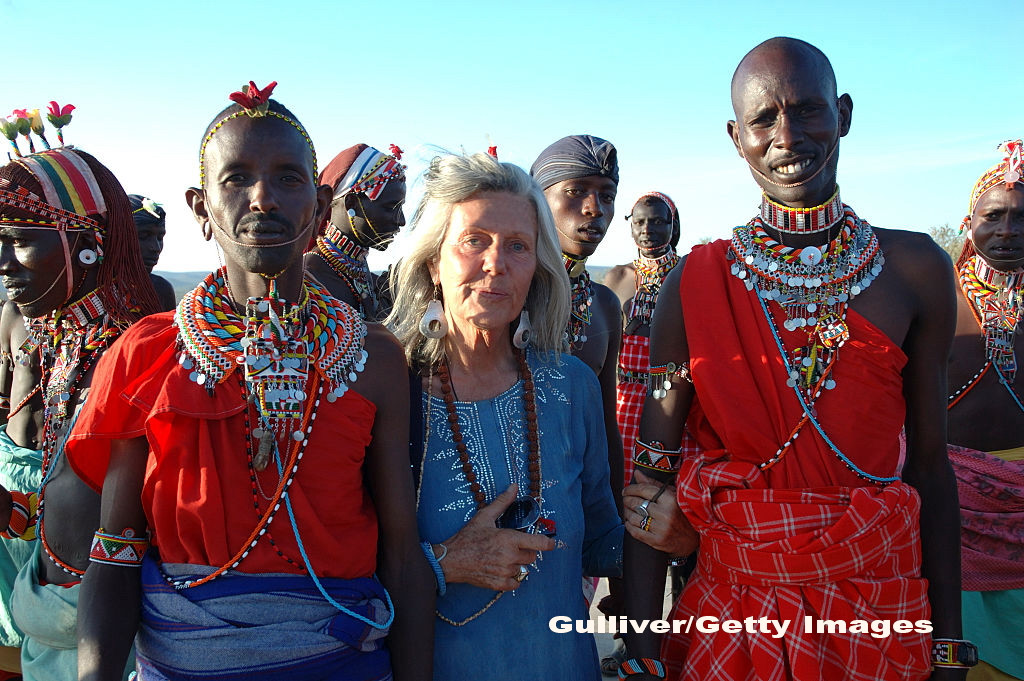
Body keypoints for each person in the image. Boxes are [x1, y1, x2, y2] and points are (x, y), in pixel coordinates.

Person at [623, 37, 968, 681]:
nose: (787, 136)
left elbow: (929, 465)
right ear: (736, 136)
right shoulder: (696, 282)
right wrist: (641, 653)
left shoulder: (916, 268)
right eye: (763, 119)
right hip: (737, 611)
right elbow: (651, 485)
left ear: (844, 115)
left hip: (877, 608)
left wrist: (948, 646)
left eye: (808, 110)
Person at [65, 82, 433, 681]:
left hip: (338, 656)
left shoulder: (372, 356)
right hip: (185, 659)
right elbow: (115, 553)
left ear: (317, 202)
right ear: (200, 206)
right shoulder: (144, 353)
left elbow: (401, 554)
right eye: (235, 178)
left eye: (288, 178)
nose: (262, 197)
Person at [387, 152, 688, 681]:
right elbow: (335, 566)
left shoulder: (570, 386)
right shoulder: (389, 391)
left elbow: (601, 537)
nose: (495, 264)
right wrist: (444, 563)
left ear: (537, 268)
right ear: (434, 261)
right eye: (474, 240)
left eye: (518, 247)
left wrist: (676, 531)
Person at [0, 133, 161, 678]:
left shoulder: (138, 359)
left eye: (19, 240)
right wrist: (17, 510)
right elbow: (71, 499)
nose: (2, 263)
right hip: (54, 630)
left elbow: (139, 528)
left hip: (112, 650)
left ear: (86, 241)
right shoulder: (64, 345)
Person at [945, 141, 1024, 680]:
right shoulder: (935, 297)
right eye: (993, 216)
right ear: (968, 223)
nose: (1008, 230)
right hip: (955, 507)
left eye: (1022, 218)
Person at [531, 135, 625, 515]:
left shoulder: (603, 304)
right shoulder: (505, 293)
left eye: (607, 195)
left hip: (574, 511)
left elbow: (605, 427)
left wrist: (613, 525)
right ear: (538, 198)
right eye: (576, 191)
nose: (594, 208)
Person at [304, 143, 406, 320]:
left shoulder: (360, 270)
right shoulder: (309, 277)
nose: (401, 221)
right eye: (390, 208)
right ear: (351, 203)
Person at [128, 194, 177, 311]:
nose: (155, 247)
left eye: (160, 237)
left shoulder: (160, 289)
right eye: (143, 236)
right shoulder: (86, 287)